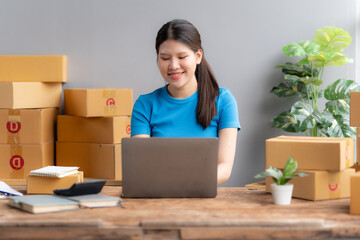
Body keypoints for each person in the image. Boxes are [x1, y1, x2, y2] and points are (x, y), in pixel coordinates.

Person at [131, 19, 241, 185]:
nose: (173, 65)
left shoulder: (223, 101)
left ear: (198, 56)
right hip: (158, 197)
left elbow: (224, 168)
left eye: (182, 57)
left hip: (203, 197)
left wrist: (184, 182)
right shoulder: (145, 105)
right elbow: (142, 165)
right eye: (165, 58)